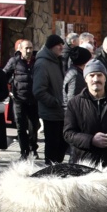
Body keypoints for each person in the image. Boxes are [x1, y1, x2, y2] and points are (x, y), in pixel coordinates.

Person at [64, 60, 107, 168]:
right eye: (92, 75)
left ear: (105, 78)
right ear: (85, 79)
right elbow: (68, 133)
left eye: (99, 75)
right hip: (85, 163)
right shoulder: (75, 103)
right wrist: (91, 140)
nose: (96, 79)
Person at [33, 34, 69, 163]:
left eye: (62, 44)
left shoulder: (59, 61)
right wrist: (55, 102)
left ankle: (57, 169)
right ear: (51, 47)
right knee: (53, 145)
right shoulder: (42, 64)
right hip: (51, 112)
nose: (61, 47)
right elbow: (38, 90)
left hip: (62, 111)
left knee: (63, 144)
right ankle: (49, 171)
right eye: (58, 45)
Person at [6, 37, 39, 159]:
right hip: (18, 99)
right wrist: (9, 90)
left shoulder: (37, 61)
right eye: (26, 48)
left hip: (34, 99)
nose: (29, 50)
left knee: (34, 126)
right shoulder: (14, 61)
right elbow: (4, 75)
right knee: (20, 126)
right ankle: (23, 152)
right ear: (20, 49)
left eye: (30, 48)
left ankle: (33, 148)